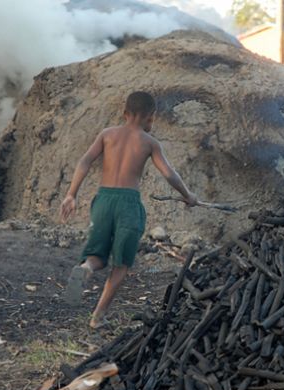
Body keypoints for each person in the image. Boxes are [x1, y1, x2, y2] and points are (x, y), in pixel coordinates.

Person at [59, 91, 198, 329]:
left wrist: (71, 194)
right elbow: (169, 174)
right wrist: (187, 195)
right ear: (151, 117)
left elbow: (85, 161)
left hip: (103, 200)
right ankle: (97, 317)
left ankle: (85, 269)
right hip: (128, 204)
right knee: (121, 264)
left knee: (96, 256)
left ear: (125, 114)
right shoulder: (149, 142)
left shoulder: (107, 135)